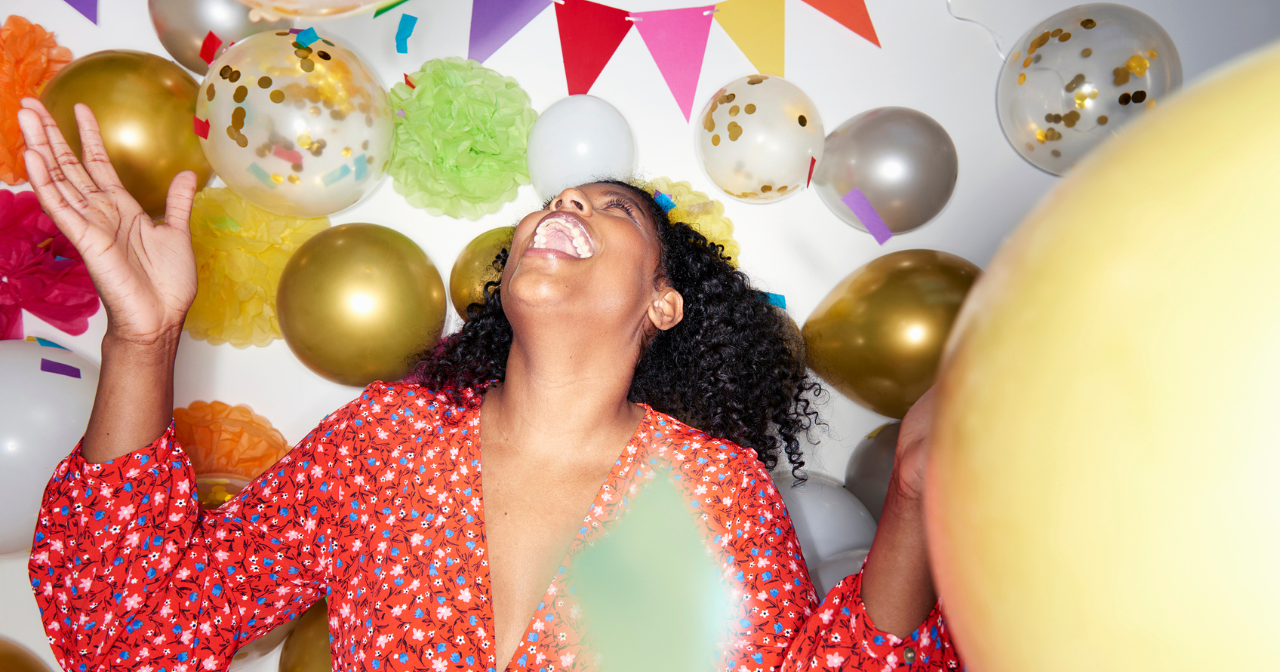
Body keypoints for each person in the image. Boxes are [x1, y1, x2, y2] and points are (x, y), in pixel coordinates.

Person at [19, 98, 960, 671]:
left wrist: (914, 499)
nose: (563, 205)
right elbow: (128, 637)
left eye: (610, 207)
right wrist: (144, 339)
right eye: (557, 200)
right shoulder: (387, 438)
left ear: (663, 303)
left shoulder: (718, 495)